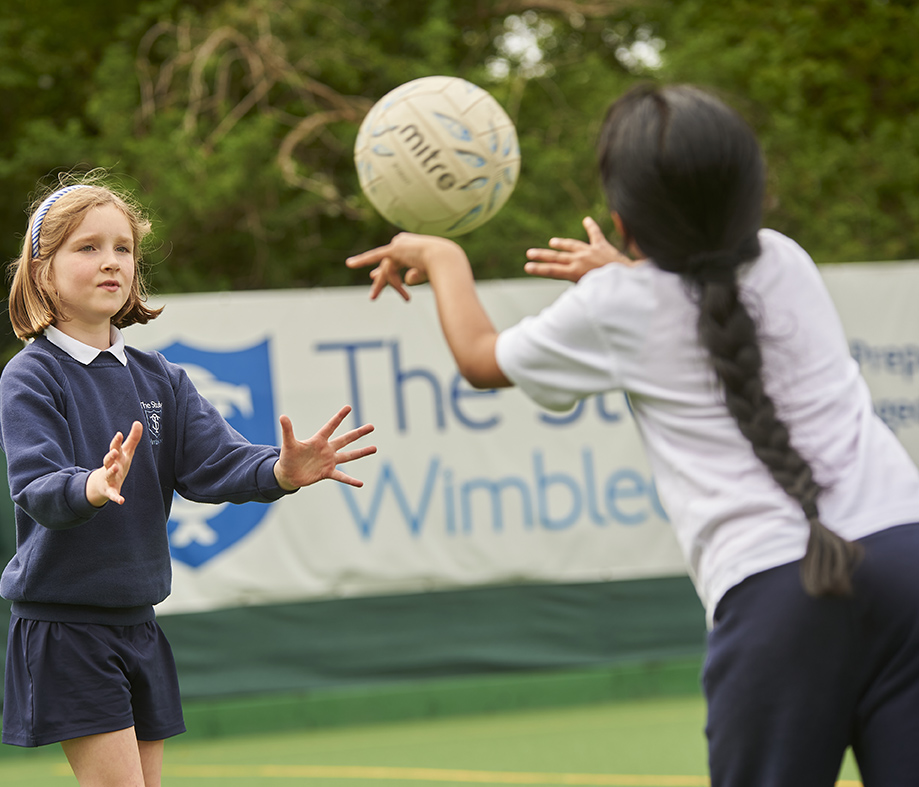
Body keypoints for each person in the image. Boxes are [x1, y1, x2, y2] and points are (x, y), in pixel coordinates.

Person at [345, 84, 919, 786]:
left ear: (621, 220)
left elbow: (478, 358)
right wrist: (626, 274)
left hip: (778, 592)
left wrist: (443, 259)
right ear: (751, 194)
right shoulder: (786, 260)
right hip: (906, 555)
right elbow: (689, 297)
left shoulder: (614, 305)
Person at [0, 176, 376, 787]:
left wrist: (280, 470)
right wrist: (90, 486)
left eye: (123, 248)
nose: (111, 261)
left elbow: (216, 464)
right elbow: (37, 485)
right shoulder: (31, 377)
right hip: (66, 627)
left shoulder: (160, 378)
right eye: (87, 247)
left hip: (138, 623)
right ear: (42, 270)